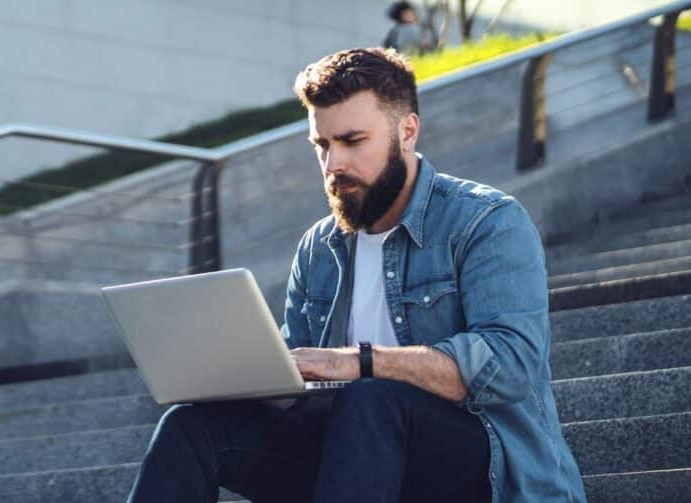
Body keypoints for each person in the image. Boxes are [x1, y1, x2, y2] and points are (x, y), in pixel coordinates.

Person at [125, 48, 586, 503]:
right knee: (191, 426)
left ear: (407, 131)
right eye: (322, 146)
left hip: (488, 472)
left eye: (352, 141)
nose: (332, 165)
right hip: (355, 464)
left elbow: (510, 365)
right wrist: (243, 377)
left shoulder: (486, 221)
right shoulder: (318, 248)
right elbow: (298, 392)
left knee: (370, 399)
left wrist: (360, 361)